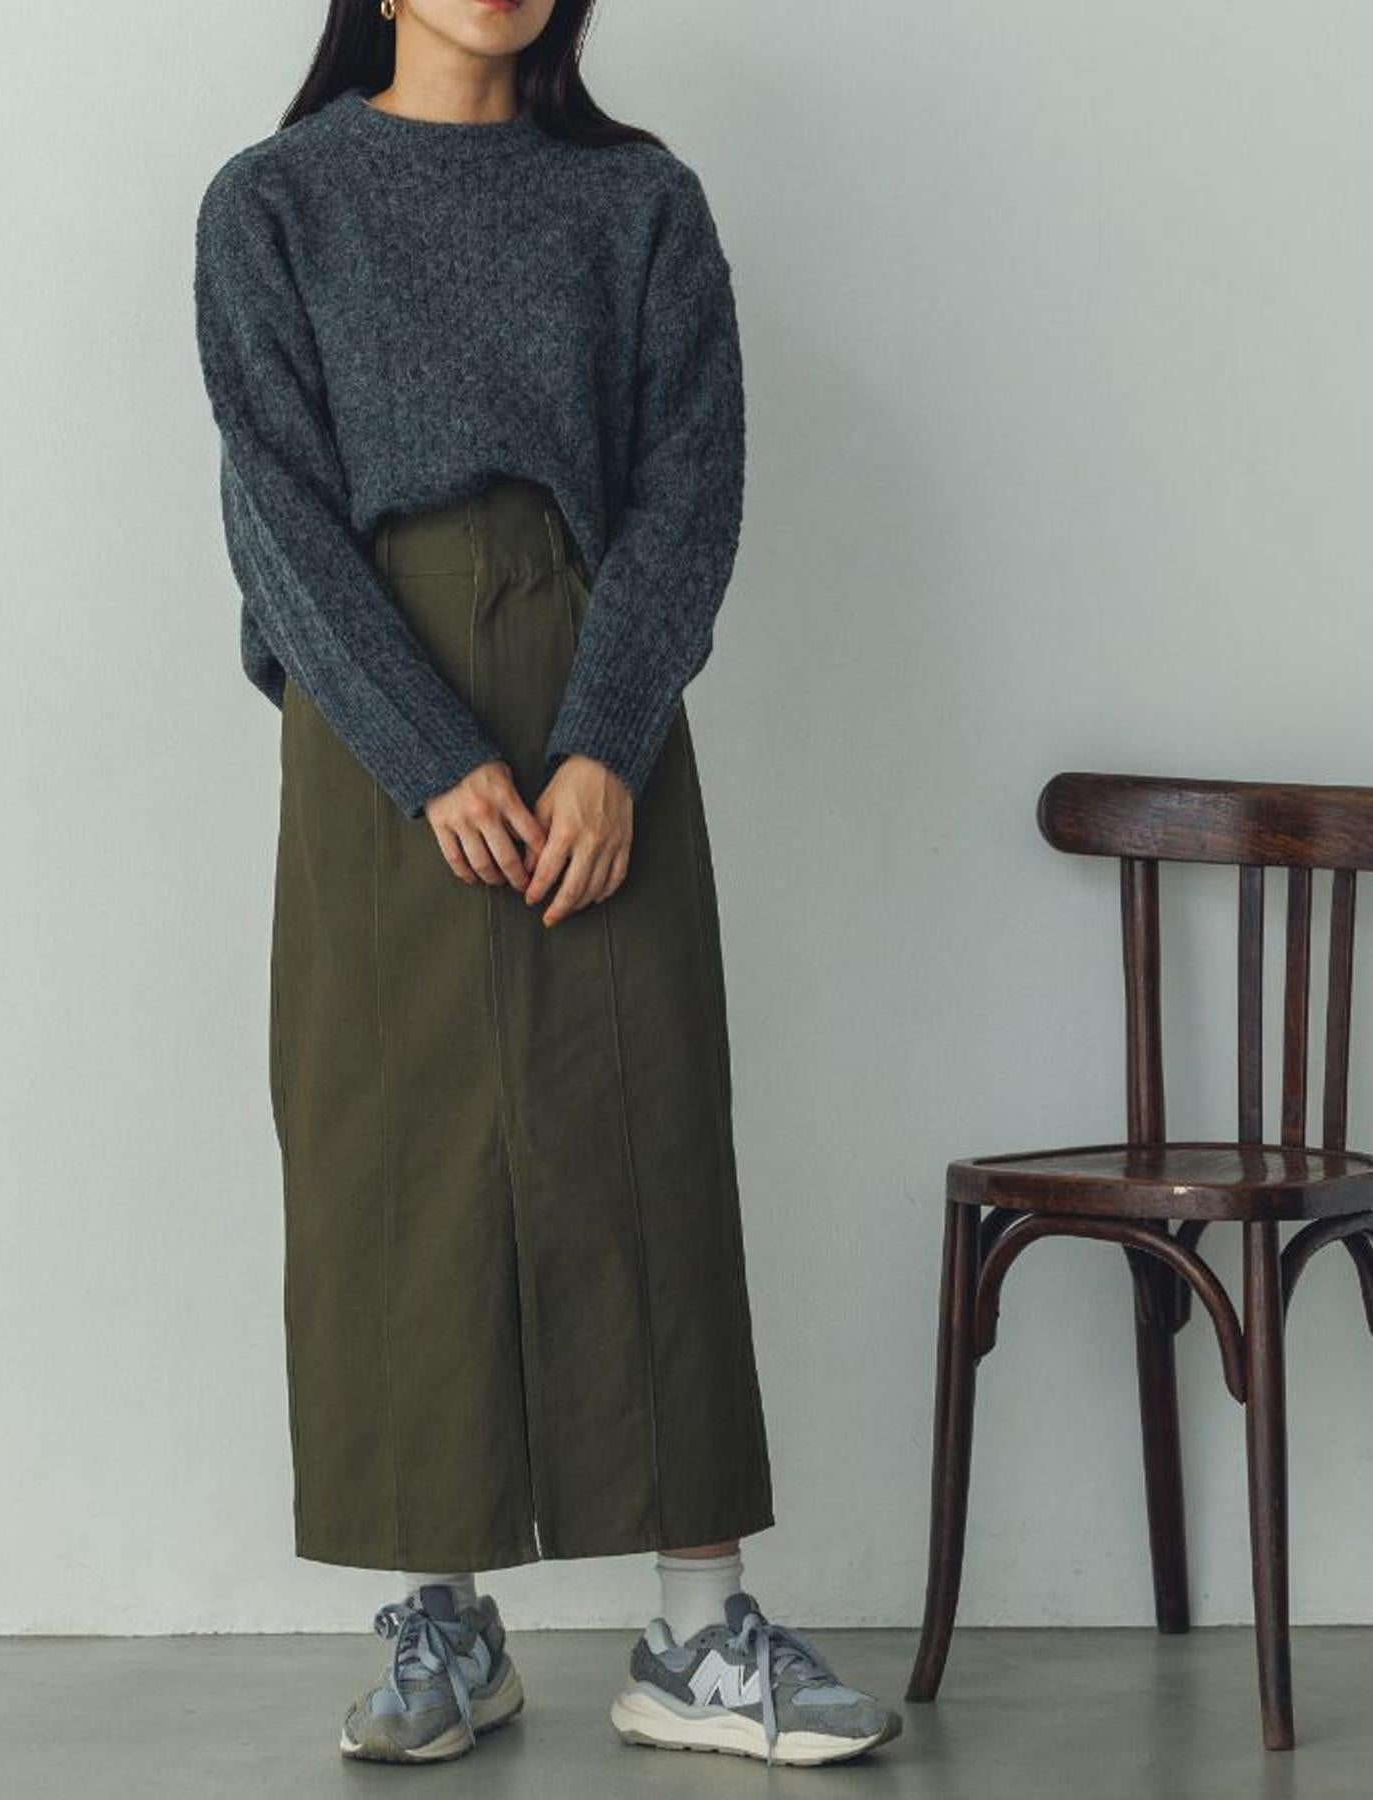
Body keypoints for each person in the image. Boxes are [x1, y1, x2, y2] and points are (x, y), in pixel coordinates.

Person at [192, 0, 901, 1770]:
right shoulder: (275, 202)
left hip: (600, 697)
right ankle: (440, 1621)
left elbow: (689, 485)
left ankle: (699, 1631)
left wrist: (606, 739)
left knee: (641, 1128)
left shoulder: (637, 200)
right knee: (393, 1144)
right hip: (377, 717)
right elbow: (276, 509)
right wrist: (426, 751)